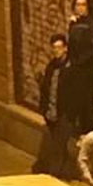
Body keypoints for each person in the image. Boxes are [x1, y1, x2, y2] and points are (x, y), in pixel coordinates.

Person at [33, 33, 72, 174]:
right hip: (51, 114)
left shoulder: (70, 69)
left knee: (58, 146)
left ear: (65, 48)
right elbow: (47, 90)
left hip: (64, 115)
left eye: (59, 47)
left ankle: (54, 175)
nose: (56, 50)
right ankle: (63, 171)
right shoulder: (51, 66)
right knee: (57, 146)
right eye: (54, 47)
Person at [63, 0, 93, 129]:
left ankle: (88, 129)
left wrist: (80, 61)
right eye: (78, 4)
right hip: (76, 70)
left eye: (83, 5)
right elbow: (71, 45)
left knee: (87, 103)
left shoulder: (92, 24)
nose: (80, 7)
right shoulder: (74, 23)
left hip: (87, 71)